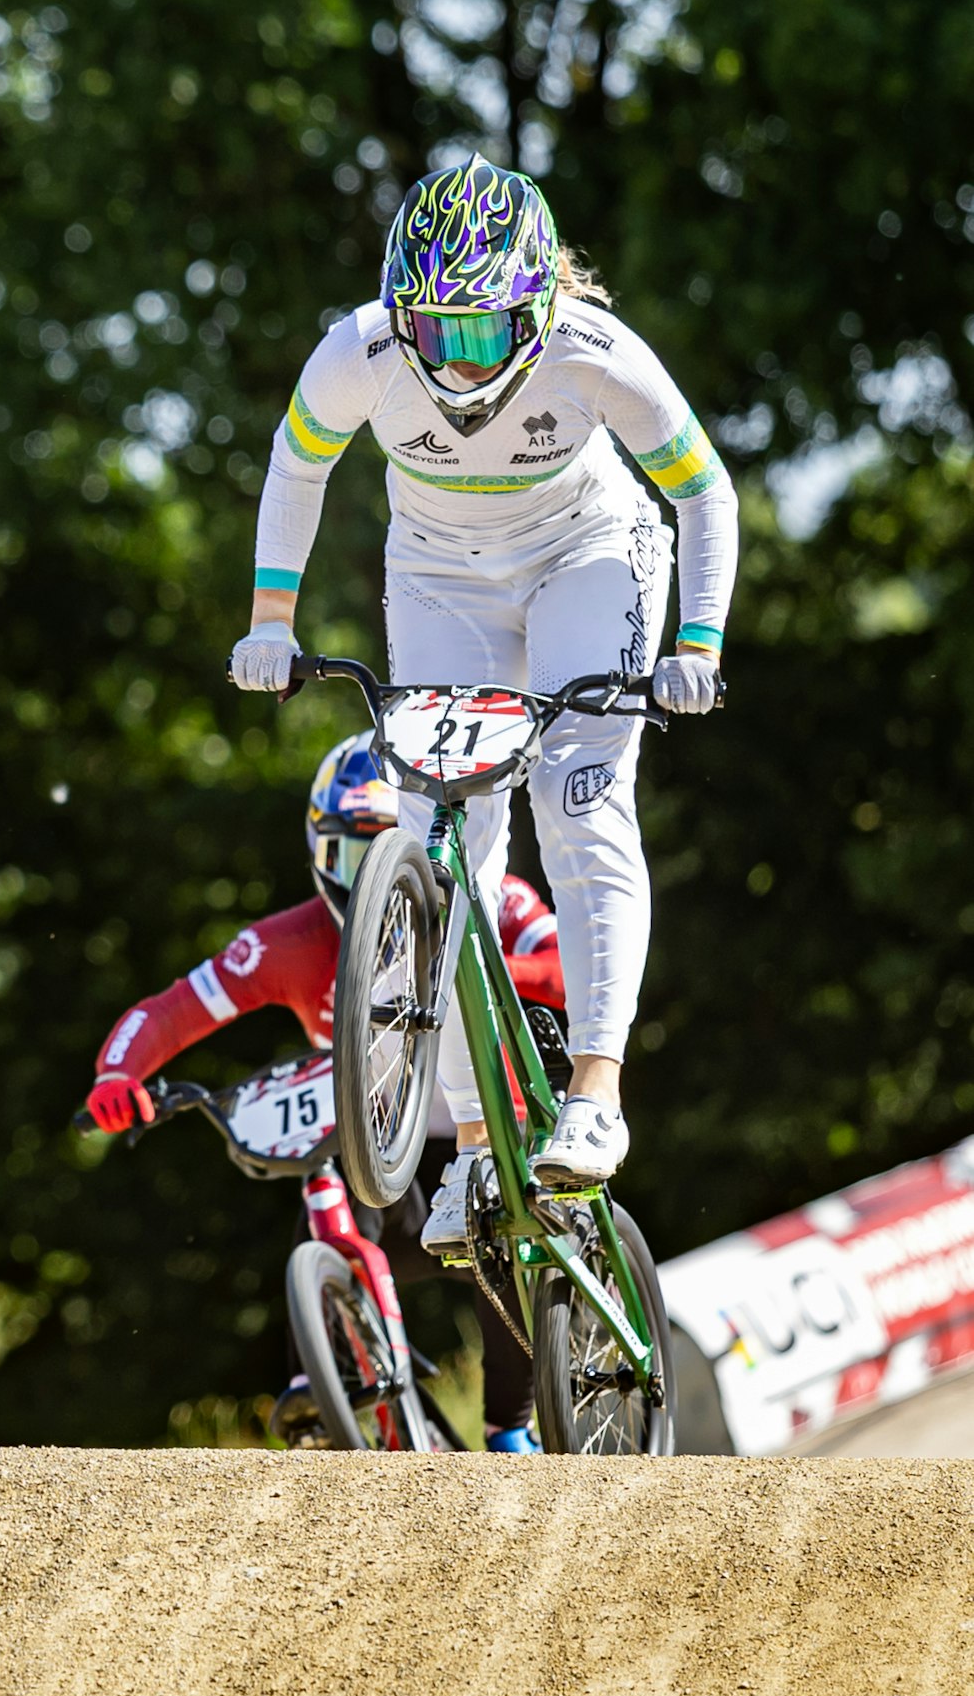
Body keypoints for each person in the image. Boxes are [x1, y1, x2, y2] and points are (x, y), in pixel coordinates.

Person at [225, 155, 736, 1261]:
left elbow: (702, 489)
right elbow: (295, 468)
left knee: (577, 801)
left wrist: (696, 643)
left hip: (588, 556)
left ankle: (594, 1091)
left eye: (482, 331)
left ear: (537, 309)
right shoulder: (358, 351)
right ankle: (466, 1141)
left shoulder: (595, 352)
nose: (456, 360)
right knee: (438, 837)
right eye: (435, 331)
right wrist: (269, 622)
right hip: (439, 574)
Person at [85, 733, 564, 1451]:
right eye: (350, 857)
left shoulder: (499, 902)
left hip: (487, 1145)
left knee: (503, 1232)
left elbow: (567, 972)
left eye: (387, 847)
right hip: (383, 1166)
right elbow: (173, 1009)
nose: (369, 878)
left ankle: (509, 1429)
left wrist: (476, 965)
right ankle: (320, 1389)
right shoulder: (291, 942)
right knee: (320, 1206)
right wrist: (118, 1074)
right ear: (316, 854)